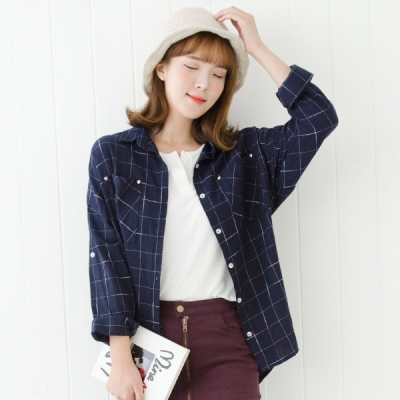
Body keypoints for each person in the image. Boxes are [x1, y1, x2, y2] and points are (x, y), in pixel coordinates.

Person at [87, 6, 338, 400]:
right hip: (148, 341)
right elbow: (107, 258)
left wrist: (255, 48)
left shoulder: (245, 157)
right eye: (192, 66)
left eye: (219, 74)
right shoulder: (114, 156)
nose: (204, 83)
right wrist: (120, 358)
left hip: (227, 341)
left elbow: (317, 118)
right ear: (161, 68)